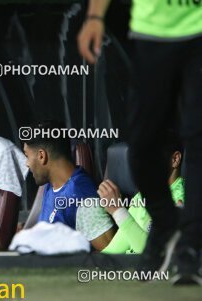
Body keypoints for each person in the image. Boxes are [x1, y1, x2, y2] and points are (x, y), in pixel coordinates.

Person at [78, 0, 202, 284]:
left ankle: (190, 249)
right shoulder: (137, 198)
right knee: (141, 143)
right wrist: (95, 15)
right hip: (152, 33)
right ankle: (165, 222)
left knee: (197, 137)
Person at [77, 139, 184, 254]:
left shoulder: (181, 201)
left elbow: (155, 255)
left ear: (175, 159)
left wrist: (118, 210)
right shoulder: (141, 196)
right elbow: (116, 247)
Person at [23, 120, 98, 230]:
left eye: (27, 156)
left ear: (41, 156)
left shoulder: (80, 192)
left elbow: (106, 246)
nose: (27, 163)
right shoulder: (50, 185)